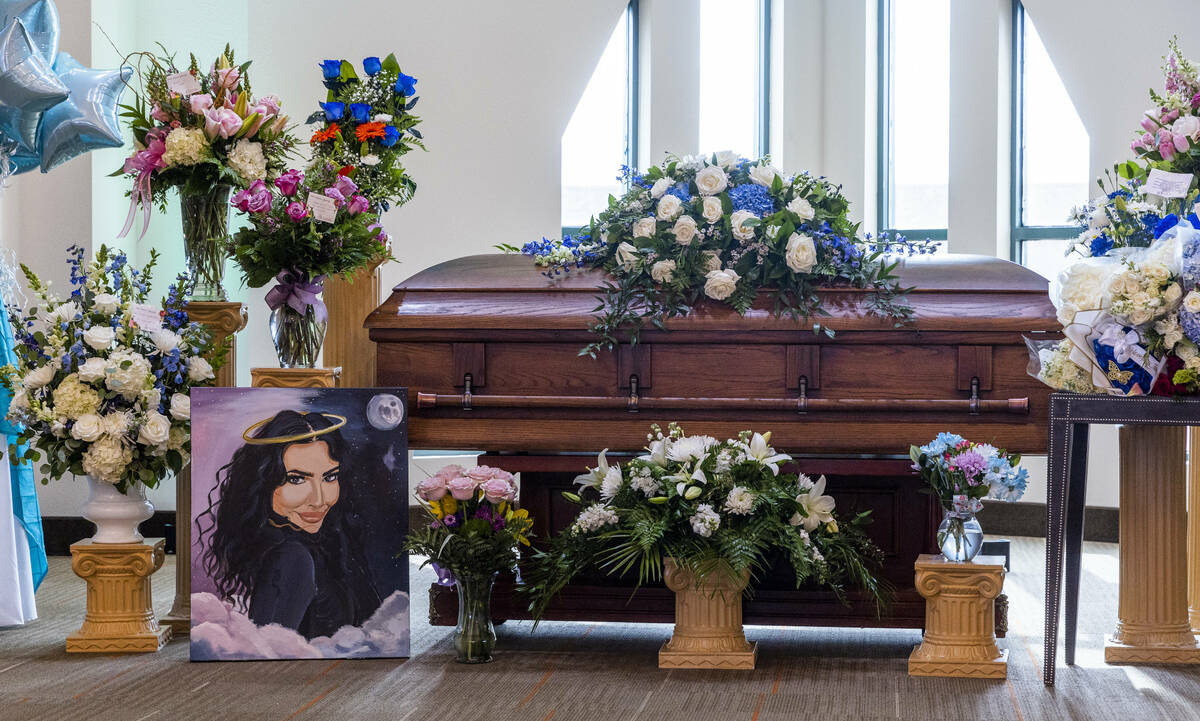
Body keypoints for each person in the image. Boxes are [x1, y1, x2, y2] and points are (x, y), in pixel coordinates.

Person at [198, 410, 380, 638]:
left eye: (329, 477)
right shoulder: (291, 558)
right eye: (296, 479)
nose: (319, 499)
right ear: (265, 483)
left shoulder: (330, 540)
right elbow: (268, 654)